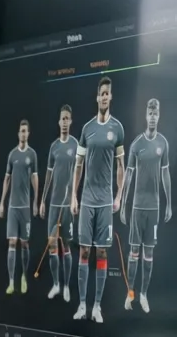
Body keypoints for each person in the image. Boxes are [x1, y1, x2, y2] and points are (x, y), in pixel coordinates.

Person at [71, 76, 125, 323]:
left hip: (105, 202)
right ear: (97, 97)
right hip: (87, 200)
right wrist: (73, 195)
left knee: (102, 253)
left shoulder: (118, 129)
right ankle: (82, 305)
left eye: (108, 93)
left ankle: (97, 307)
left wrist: (119, 196)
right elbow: (78, 165)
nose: (104, 97)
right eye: (101, 93)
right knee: (84, 252)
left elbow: (121, 166)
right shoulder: (86, 129)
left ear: (111, 97)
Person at [122, 97, 171, 313]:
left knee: (148, 255)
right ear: (146, 115)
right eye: (149, 113)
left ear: (159, 115)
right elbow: (128, 177)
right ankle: (130, 294)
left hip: (154, 208)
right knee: (133, 253)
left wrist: (169, 203)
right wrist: (123, 204)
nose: (152, 116)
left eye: (155, 113)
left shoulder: (163, 143)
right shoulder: (136, 145)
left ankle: (143, 295)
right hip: (137, 208)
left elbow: (165, 173)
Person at [41, 104, 78, 300]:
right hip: (54, 204)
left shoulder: (75, 144)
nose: (64, 122)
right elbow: (48, 176)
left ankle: (66, 286)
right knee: (52, 245)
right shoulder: (53, 147)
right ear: (58, 121)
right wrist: (42, 201)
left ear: (71, 121)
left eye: (67, 118)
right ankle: (55, 284)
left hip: (67, 206)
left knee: (66, 247)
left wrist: (74, 198)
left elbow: (78, 176)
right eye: (61, 118)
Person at [0, 120, 39, 294]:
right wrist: (2, 202)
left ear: (28, 134)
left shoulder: (32, 154)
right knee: (12, 242)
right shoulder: (12, 155)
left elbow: (35, 179)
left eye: (25, 131)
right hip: (13, 207)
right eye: (21, 131)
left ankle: (23, 276)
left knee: (25, 244)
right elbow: (7, 178)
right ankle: (11, 281)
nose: (23, 134)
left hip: (25, 207)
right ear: (18, 134)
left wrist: (36, 201)